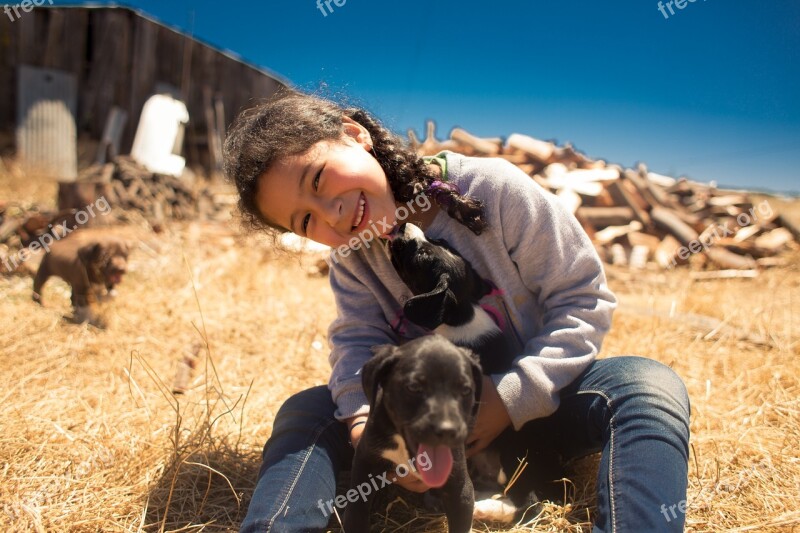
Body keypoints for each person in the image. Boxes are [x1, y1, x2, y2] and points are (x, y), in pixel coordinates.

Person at [223, 89, 691, 533]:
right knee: (309, 411)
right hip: (423, 425)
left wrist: (509, 398)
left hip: (543, 410)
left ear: (354, 134)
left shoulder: (492, 187)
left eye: (319, 179)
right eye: (305, 221)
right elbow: (356, 346)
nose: (331, 214)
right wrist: (367, 424)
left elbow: (583, 298)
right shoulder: (353, 258)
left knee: (648, 386)